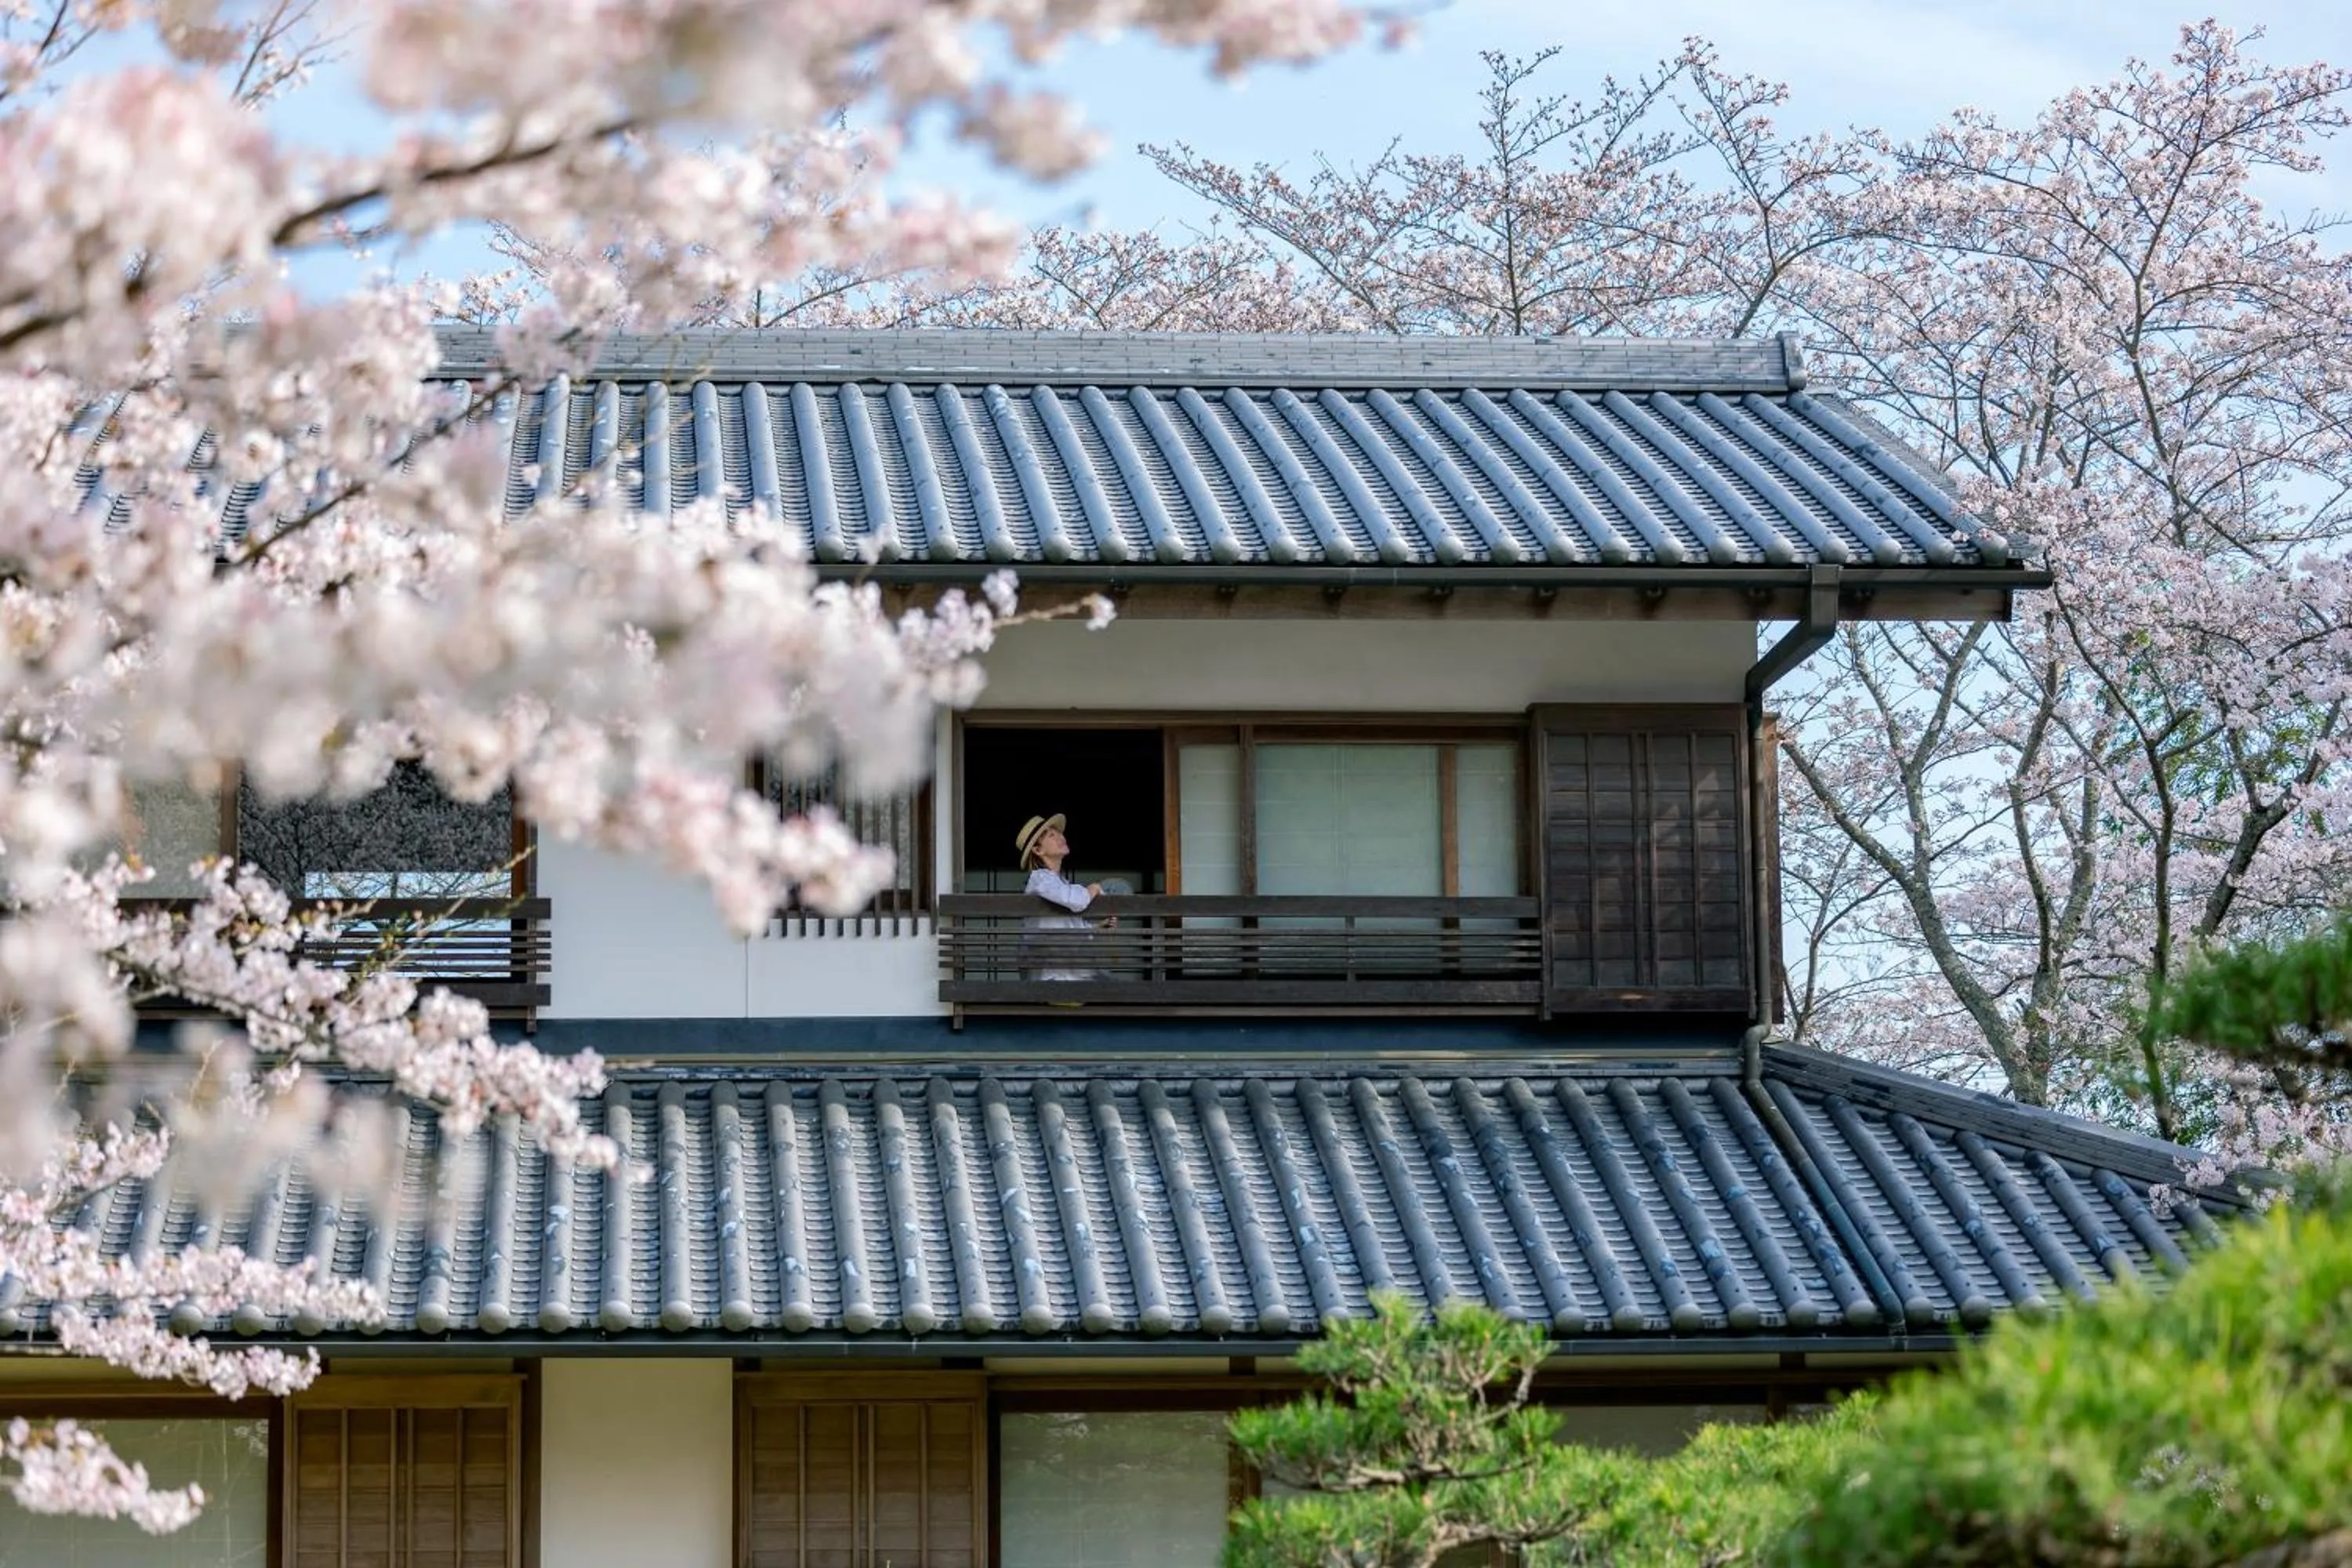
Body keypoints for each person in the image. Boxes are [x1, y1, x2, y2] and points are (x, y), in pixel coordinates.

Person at [1013, 814, 1128, 982]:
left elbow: (1070, 928)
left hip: (1066, 972)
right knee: (1114, 988)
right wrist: (1093, 888)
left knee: (1114, 986)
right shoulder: (1039, 879)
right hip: (1051, 976)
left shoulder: (1059, 883)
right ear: (1038, 850)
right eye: (1051, 835)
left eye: (1059, 833)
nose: (1060, 837)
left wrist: (1098, 927)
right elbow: (1077, 901)